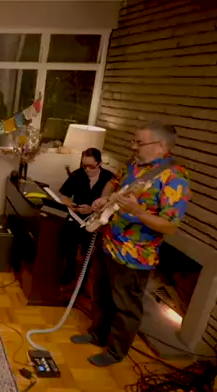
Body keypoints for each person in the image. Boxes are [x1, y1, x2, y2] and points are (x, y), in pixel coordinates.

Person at [70, 121, 191, 367]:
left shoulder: (175, 178)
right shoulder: (134, 164)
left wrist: (138, 212)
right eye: (133, 141)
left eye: (139, 142)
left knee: (125, 306)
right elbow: (114, 183)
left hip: (135, 256)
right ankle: (97, 334)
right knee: (101, 295)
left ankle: (116, 352)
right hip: (108, 242)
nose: (133, 146)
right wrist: (104, 198)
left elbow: (170, 226)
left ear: (161, 146)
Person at [58, 148, 115, 286]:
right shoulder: (77, 174)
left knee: (91, 244)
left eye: (91, 167)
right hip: (76, 216)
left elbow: (110, 203)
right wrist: (70, 204)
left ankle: (85, 276)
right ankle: (70, 268)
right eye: (84, 166)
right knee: (66, 234)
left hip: (97, 220)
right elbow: (63, 195)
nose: (87, 170)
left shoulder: (109, 178)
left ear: (99, 163)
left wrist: (91, 209)